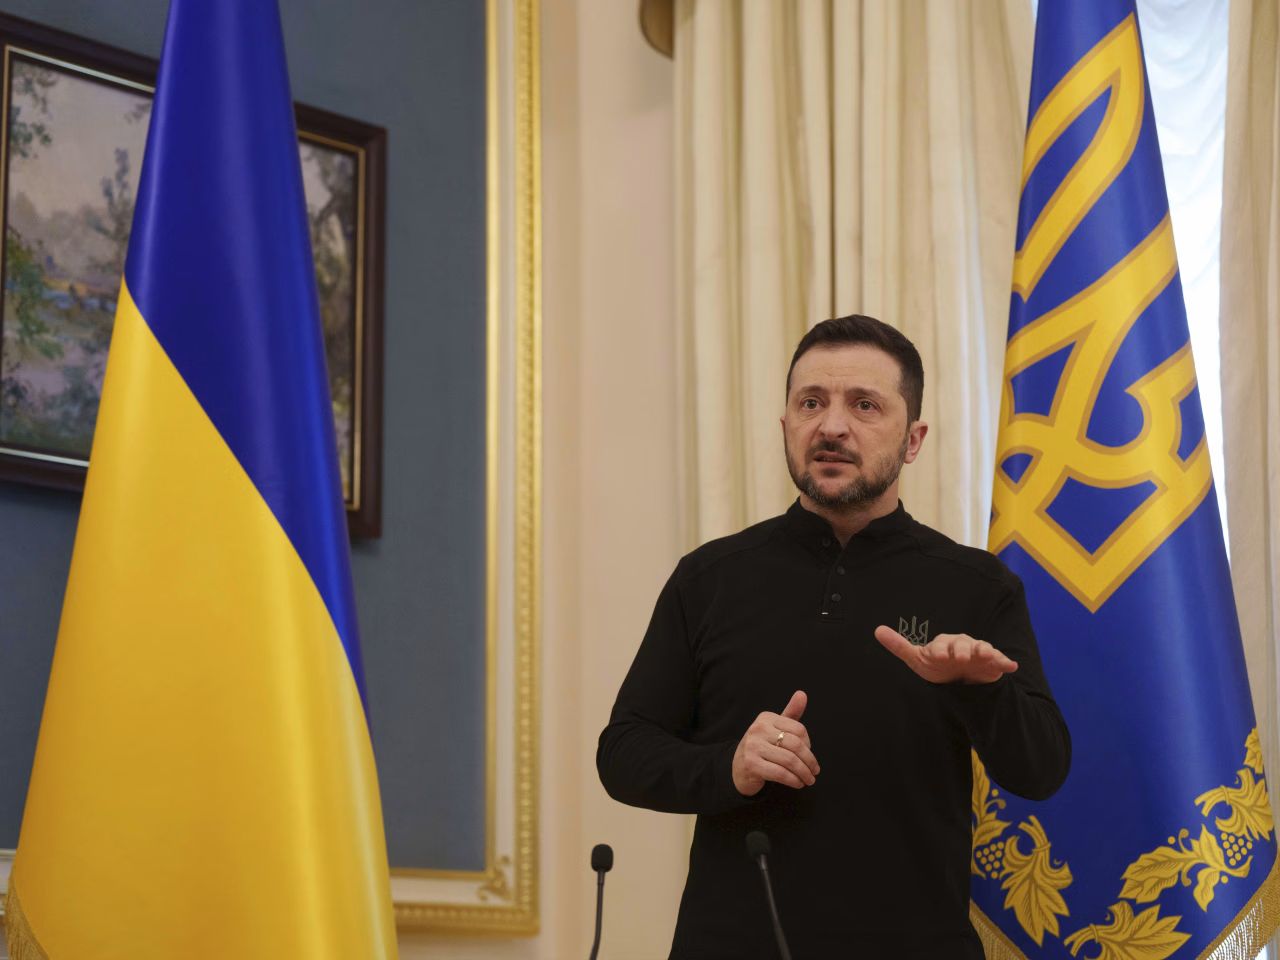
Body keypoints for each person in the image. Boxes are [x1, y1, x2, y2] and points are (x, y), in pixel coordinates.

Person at [597, 315, 1071, 959]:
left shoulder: (977, 587)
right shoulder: (709, 578)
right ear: (785, 427)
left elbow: (1042, 771)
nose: (832, 426)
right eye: (811, 403)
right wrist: (728, 766)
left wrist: (980, 691)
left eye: (865, 405)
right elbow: (623, 752)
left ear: (913, 439)